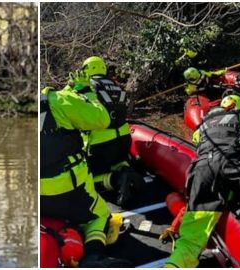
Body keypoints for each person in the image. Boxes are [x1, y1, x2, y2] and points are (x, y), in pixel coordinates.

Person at [164, 94, 240, 268]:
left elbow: (201, 150)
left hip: (202, 172)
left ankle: (173, 265)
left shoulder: (202, 127)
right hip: (235, 164)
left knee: (191, 240)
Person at [40, 83, 131, 267]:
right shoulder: (58, 99)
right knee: (100, 215)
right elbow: (102, 119)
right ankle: (93, 256)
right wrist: (87, 96)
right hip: (69, 188)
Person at [70, 56, 143, 206]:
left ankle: (116, 180)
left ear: (86, 69)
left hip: (100, 144)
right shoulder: (116, 85)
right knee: (118, 161)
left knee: (85, 179)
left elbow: (73, 110)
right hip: (124, 139)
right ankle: (127, 171)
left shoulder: (85, 87)